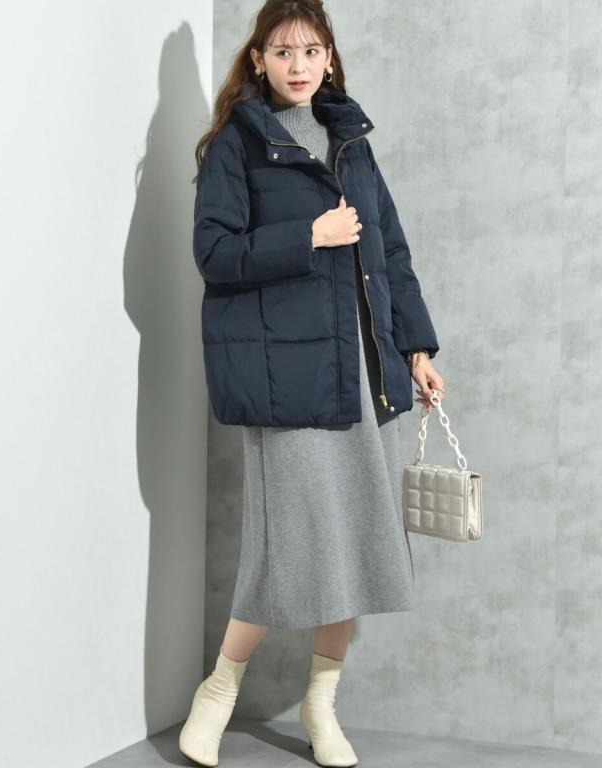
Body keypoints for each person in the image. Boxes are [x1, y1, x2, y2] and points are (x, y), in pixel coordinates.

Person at [180, 1, 445, 765]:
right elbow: (213, 254)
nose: (298, 65)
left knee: (356, 540)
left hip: (362, 373)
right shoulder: (237, 143)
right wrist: (309, 235)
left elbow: (391, 249)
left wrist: (416, 348)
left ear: (329, 58)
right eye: (282, 51)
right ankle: (219, 690)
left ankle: (321, 704)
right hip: (286, 374)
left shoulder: (351, 139)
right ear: (258, 59)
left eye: (311, 50)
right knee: (284, 549)